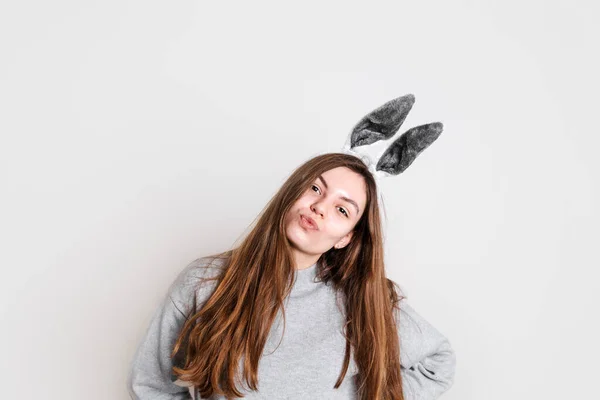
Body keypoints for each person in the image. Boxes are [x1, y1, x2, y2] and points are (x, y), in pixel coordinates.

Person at [127, 152, 456, 399]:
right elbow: (150, 384)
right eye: (315, 188)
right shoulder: (206, 282)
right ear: (292, 193)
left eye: (343, 210)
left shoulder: (361, 302)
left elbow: (439, 361)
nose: (321, 207)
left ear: (346, 238)